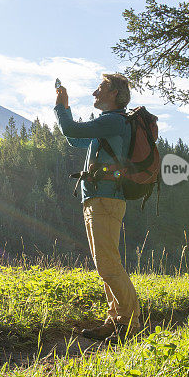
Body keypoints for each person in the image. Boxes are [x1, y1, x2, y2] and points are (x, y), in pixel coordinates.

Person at [54, 73, 141, 343]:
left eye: (100, 88)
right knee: (105, 263)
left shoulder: (114, 121)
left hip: (105, 199)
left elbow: (71, 130)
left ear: (114, 93)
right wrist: (65, 112)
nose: (94, 93)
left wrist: (61, 105)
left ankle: (130, 323)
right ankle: (115, 319)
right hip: (99, 199)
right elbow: (76, 139)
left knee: (107, 264)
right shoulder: (108, 125)